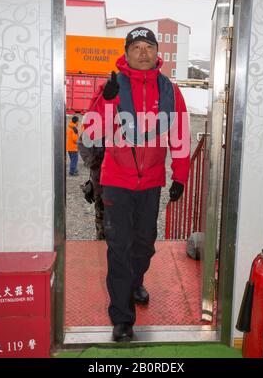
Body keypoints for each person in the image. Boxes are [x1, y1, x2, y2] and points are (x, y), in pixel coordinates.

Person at [81, 27, 190, 342]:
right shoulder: (112, 87)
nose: (143, 52)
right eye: (136, 46)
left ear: (158, 54)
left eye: (149, 46)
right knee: (119, 247)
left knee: (144, 243)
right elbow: (90, 135)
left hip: (151, 183)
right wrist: (107, 103)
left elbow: (179, 136)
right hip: (117, 181)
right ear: (126, 53)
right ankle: (122, 317)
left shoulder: (169, 90)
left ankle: (135, 280)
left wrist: (179, 176)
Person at [78, 138, 106, 240]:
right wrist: (92, 161)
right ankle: (101, 238)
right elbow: (82, 142)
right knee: (101, 208)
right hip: (99, 176)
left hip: (119, 179)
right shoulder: (96, 125)